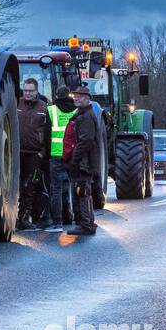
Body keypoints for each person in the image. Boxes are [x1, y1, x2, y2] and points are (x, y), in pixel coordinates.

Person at [64, 84, 101, 235]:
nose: (77, 98)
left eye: (81, 97)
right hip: (85, 161)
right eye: (76, 96)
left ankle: (84, 224)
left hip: (84, 163)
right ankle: (88, 222)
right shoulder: (83, 114)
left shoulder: (85, 117)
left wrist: (74, 159)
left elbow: (85, 141)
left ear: (87, 99)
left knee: (81, 192)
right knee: (84, 191)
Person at [17, 77, 52, 230]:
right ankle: (15, 216)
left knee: (30, 187)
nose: (28, 93)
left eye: (31, 91)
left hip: (34, 154)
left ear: (36, 91)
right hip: (17, 152)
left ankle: (25, 218)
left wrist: (43, 153)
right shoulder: (16, 104)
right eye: (25, 90)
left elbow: (49, 132)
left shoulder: (44, 108)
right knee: (17, 186)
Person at [46, 85, 77, 232]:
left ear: (56, 96)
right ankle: (77, 218)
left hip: (56, 154)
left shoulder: (51, 110)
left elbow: (46, 135)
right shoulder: (77, 111)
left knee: (56, 189)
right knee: (74, 187)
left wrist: (46, 153)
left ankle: (58, 222)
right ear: (69, 95)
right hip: (73, 155)